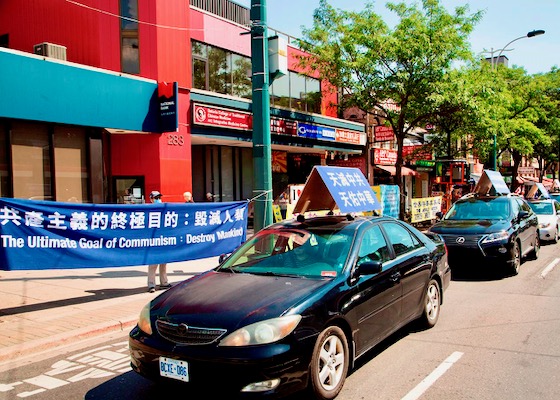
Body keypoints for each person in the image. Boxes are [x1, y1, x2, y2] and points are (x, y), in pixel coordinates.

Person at [147, 190, 170, 292]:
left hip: (163, 240)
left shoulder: (164, 208)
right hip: (153, 242)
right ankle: (151, 284)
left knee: (163, 264)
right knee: (153, 265)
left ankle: (164, 282)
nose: (158, 200)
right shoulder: (147, 210)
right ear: (151, 199)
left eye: (159, 198)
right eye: (156, 198)